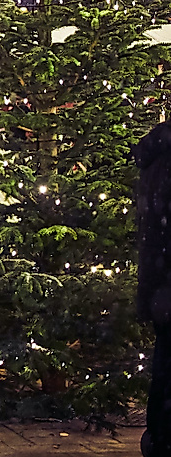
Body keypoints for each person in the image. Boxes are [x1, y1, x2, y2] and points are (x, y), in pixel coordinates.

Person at [134, 121, 171, 457]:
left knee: (166, 365)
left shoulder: (157, 153)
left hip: (162, 286)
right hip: (166, 285)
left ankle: (160, 439)